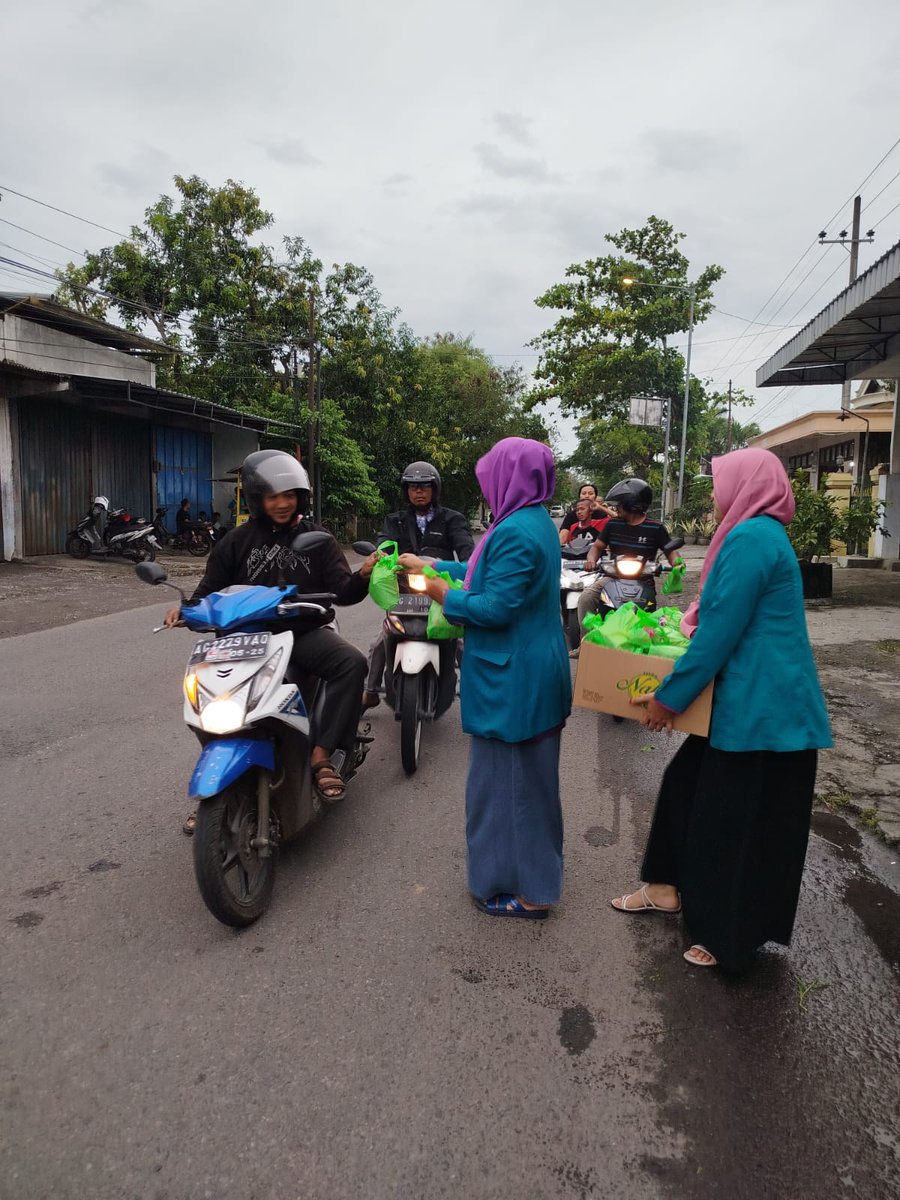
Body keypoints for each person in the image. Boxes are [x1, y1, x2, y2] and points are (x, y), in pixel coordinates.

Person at [610, 448, 832, 970]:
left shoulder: (753, 538)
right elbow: (716, 615)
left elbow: (720, 633)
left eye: (718, 483)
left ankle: (730, 936)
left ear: (746, 485)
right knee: (687, 788)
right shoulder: (755, 536)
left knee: (735, 824)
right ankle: (665, 887)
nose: (713, 494)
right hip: (748, 701)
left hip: (765, 712)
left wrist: (668, 699)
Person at [399, 438, 571, 919]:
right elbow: (485, 571)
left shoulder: (515, 529)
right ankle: (530, 877)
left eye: (491, 479)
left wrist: (438, 592)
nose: (489, 489)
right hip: (529, 672)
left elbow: (494, 606)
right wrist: (438, 565)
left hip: (516, 679)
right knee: (523, 786)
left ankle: (531, 891)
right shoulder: (531, 520)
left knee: (509, 791)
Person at [164, 449, 379, 830]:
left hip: (302, 634)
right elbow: (208, 591)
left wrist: (362, 575)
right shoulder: (235, 541)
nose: (282, 504)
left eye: (289, 495)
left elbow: (343, 592)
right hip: (245, 641)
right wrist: (185, 610)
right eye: (273, 496)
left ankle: (321, 754)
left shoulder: (319, 539)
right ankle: (222, 783)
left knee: (352, 663)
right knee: (211, 697)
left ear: (301, 496)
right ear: (257, 499)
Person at [361, 460, 474, 711]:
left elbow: (468, 552)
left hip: (438, 591)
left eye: (424, 486)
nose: (418, 491)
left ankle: (474, 693)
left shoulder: (453, 519)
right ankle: (370, 692)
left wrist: (466, 566)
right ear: (406, 491)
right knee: (381, 639)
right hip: (402, 591)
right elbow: (384, 546)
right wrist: (378, 558)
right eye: (413, 486)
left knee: (460, 642)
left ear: (435, 489)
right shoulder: (395, 521)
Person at [572, 478, 680, 656]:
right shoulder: (613, 525)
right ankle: (587, 644)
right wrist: (591, 559)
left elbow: (671, 551)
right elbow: (597, 546)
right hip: (612, 577)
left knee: (654, 617)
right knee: (586, 597)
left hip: (644, 580)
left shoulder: (656, 528)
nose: (616, 508)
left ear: (633, 505)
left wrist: (677, 563)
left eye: (620, 504)